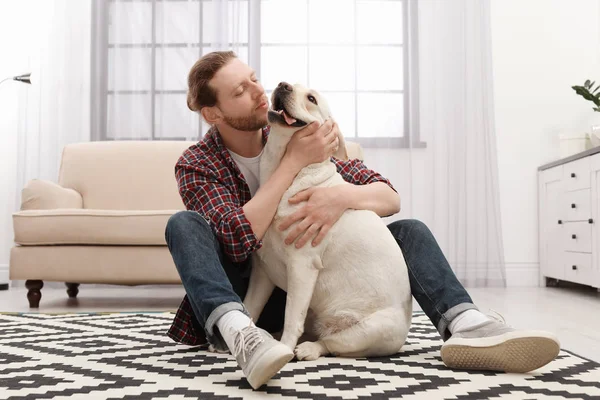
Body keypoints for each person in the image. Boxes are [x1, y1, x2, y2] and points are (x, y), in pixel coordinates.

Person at [165, 51, 560, 389]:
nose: (257, 91)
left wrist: (339, 197)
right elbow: (238, 239)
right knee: (183, 225)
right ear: (212, 112)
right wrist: (293, 165)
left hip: (316, 295)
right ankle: (242, 338)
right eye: (240, 90)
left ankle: (466, 322)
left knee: (409, 231)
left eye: (254, 79)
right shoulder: (198, 163)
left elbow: (389, 197)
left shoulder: (298, 128)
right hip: (244, 296)